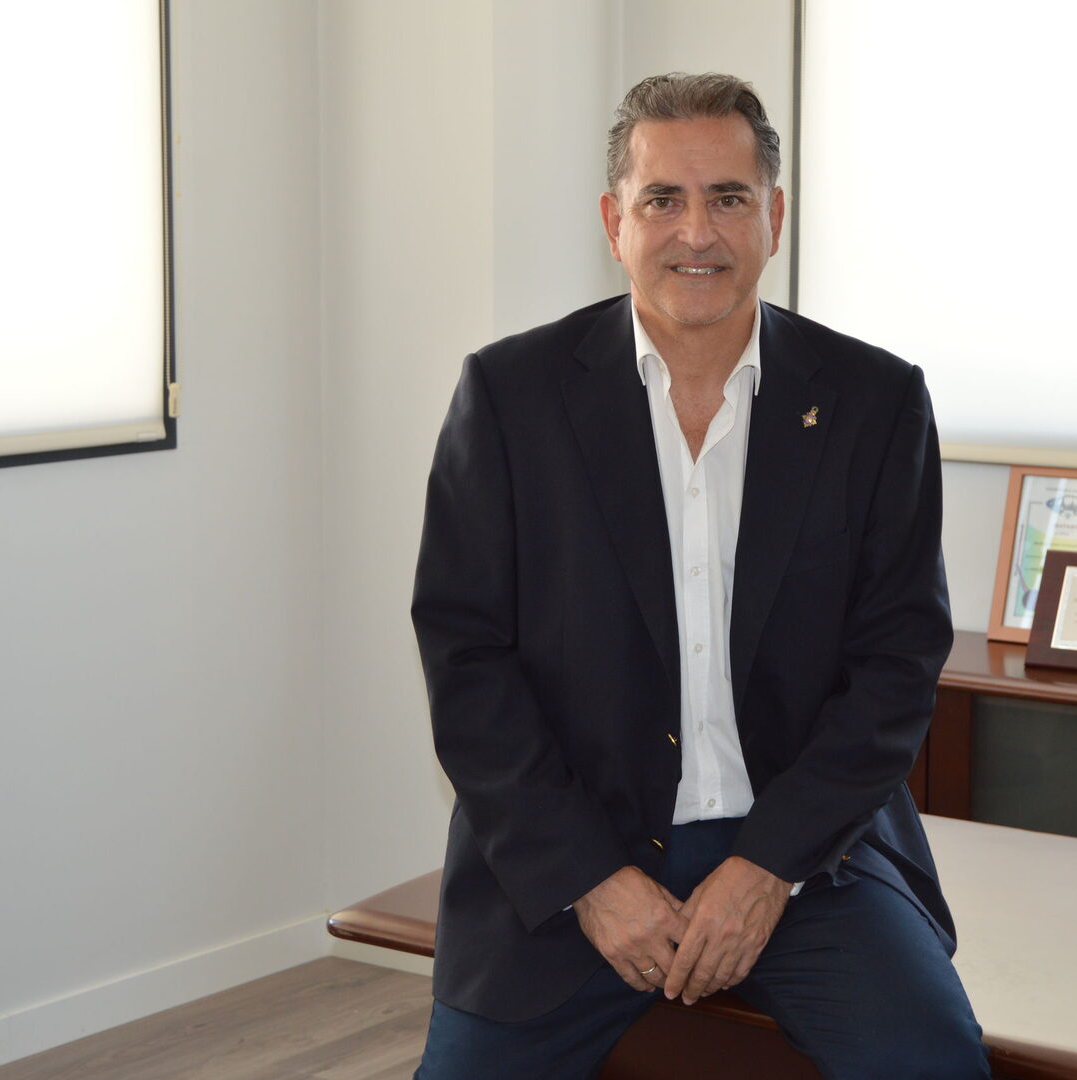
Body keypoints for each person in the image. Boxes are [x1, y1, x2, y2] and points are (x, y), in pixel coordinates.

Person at [409, 72, 990, 1080]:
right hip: (574, 862)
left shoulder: (874, 401)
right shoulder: (509, 396)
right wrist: (593, 880)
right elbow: (467, 663)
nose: (697, 233)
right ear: (614, 222)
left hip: (808, 861)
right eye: (662, 201)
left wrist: (766, 868)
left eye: (727, 198)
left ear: (774, 217)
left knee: (933, 1062)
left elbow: (897, 665)